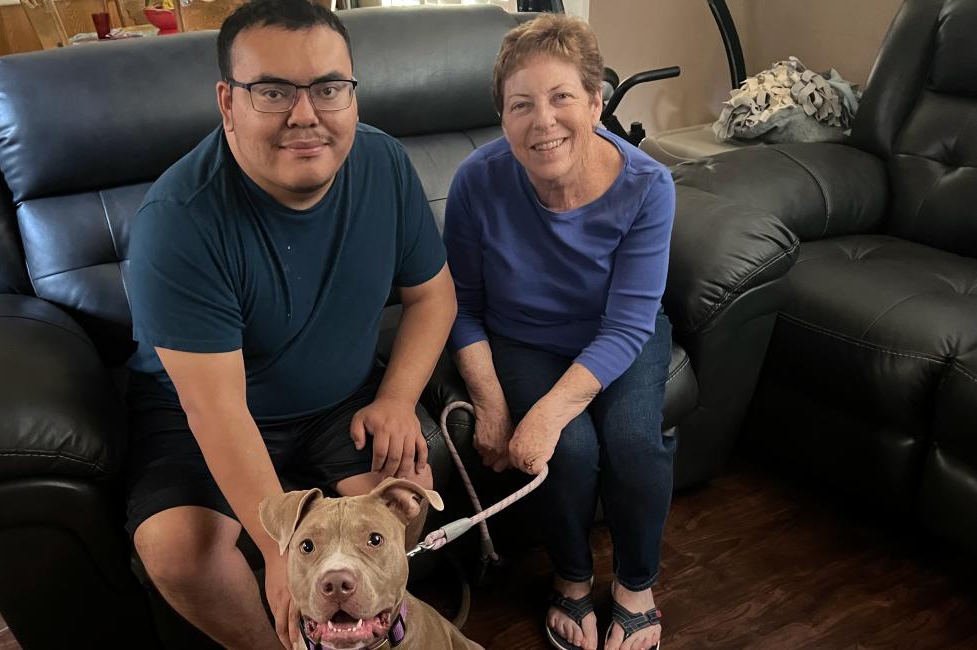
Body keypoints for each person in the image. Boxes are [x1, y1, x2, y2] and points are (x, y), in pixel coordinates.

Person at [123, 0, 457, 647]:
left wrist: (396, 399)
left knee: (407, 493)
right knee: (178, 549)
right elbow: (217, 410)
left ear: (351, 96)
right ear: (228, 102)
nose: (306, 115)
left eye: (329, 88)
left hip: (342, 401)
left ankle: (370, 630)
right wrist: (279, 552)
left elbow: (433, 297)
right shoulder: (179, 220)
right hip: (205, 414)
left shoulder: (384, 164)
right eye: (273, 92)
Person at [443, 13, 674, 650]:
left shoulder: (648, 186)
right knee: (567, 450)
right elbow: (458, 306)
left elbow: (628, 323)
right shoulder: (476, 181)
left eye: (562, 96)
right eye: (521, 104)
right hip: (523, 337)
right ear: (502, 117)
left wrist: (544, 414)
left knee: (632, 440)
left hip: (620, 332)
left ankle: (637, 585)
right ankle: (571, 578)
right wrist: (493, 404)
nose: (542, 121)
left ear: (596, 103)